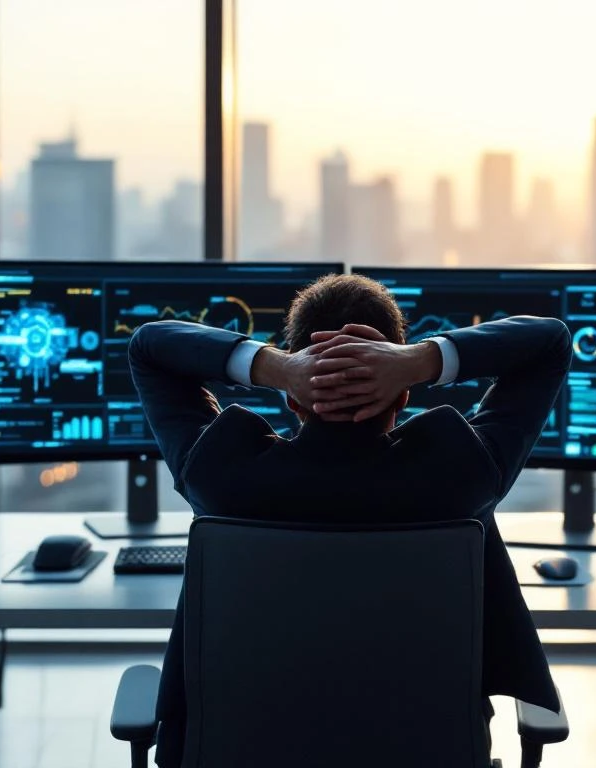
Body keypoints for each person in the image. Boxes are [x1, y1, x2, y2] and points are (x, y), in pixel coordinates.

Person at [128, 273, 572, 766]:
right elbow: (549, 341)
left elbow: (149, 346)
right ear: (405, 394)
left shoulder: (217, 475)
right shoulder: (464, 475)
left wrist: (275, 366)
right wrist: (421, 360)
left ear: (291, 399)